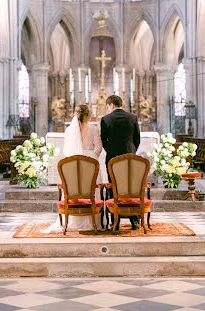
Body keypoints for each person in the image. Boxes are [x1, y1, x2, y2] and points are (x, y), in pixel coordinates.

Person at [43, 104, 106, 233]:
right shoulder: (93, 129)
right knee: (92, 190)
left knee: (74, 189)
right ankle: (93, 222)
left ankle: (71, 220)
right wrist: (91, 158)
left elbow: (67, 151)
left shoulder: (69, 130)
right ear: (88, 115)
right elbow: (99, 147)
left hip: (72, 165)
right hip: (91, 164)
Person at [100, 95, 140, 230]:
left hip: (112, 159)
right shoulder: (133, 118)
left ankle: (115, 221)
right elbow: (137, 139)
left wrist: (112, 151)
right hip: (130, 158)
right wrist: (131, 152)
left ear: (111, 105)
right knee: (130, 188)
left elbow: (103, 141)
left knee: (113, 188)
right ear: (120, 104)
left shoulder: (105, 119)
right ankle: (134, 220)